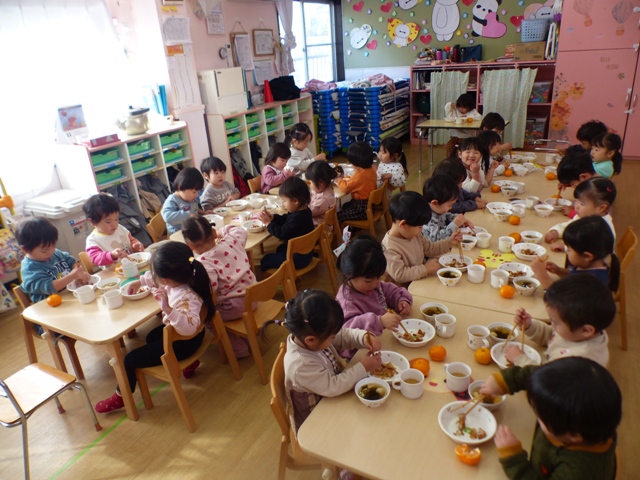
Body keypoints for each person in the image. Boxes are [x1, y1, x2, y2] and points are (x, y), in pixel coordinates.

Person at [95, 241, 215, 413]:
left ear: (166, 279)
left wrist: (168, 309)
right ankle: (190, 364)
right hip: (193, 336)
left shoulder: (185, 297)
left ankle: (121, 397)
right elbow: (158, 280)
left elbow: (189, 327)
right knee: (152, 336)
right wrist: (140, 282)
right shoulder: (190, 275)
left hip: (186, 343)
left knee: (129, 360)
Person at [479, 357, 621, 480]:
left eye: (540, 418)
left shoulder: (579, 471)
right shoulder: (587, 420)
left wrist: (513, 459)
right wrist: (505, 380)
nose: (537, 417)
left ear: (574, 436)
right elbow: (539, 376)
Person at [281, 289, 382, 432]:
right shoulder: (301, 365)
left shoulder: (315, 335)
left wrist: (363, 337)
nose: (335, 337)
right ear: (310, 340)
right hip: (317, 420)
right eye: (332, 337)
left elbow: (343, 335)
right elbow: (333, 386)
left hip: (334, 398)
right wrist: (363, 367)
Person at [503, 273, 615, 367]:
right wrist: (529, 326)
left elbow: (544, 380)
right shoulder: (577, 332)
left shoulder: (580, 360)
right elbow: (552, 335)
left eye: (555, 323)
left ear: (586, 330)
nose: (552, 325)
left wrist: (520, 359)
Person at [181, 216, 255, 358]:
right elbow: (240, 231)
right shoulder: (231, 241)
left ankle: (238, 349)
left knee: (209, 318)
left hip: (235, 306)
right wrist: (222, 231)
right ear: (214, 233)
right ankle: (247, 338)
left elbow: (210, 290)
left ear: (190, 246)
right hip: (254, 297)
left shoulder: (203, 263)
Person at [336, 236, 412, 355]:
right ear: (348, 275)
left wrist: (401, 300)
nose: (375, 284)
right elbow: (348, 333)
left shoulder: (372, 285)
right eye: (368, 281)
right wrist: (379, 321)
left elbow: (390, 291)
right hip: (363, 354)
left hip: (383, 340)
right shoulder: (347, 302)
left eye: (379, 277)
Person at [382, 191, 460, 286]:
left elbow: (430, 248)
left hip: (421, 281)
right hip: (406, 290)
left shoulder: (414, 235)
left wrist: (449, 242)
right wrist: (425, 269)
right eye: (420, 227)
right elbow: (400, 275)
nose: (421, 230)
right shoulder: (390, 248)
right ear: (403, 225)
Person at [16, 217, 91, 306]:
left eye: (53, 246)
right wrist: (72, 276)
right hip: (50, 306)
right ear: (25, 249)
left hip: (69, 297)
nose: (51, 252)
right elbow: (50, 287)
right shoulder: (30, 269)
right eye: (44, 251)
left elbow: (70, 260)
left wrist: (78, 272)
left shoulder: (54, 253)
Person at [533, 216, 620, 291]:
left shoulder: (591, 283)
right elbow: (574, 277)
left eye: (569, 249)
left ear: (587, 256)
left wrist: (541, 274)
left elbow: (558, 299)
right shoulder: (592, 264)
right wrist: (559, 271)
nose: (566, 252)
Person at [257, 176, 315, 271]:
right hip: (306, 252)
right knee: (280, 248)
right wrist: (273, 217)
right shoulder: (304, 211)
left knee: (265, 260)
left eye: (284, 200)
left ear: (295, 201)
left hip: (297, 259)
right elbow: (286, 219)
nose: (282, 203)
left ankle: (279, 279)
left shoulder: (297, 218)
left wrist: (268, 223)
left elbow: (281, 233)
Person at [544, 178, 616, 248]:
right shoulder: (585, 215)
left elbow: (589, 250)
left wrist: (565, 247)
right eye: (576, 201)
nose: (576, 206)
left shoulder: (603, 230)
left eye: (582, 203)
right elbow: (570, 227)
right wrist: (556, 232)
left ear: (601, 208)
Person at [83, 193, 144, 267]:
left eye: (116, 219)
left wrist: (135, 244)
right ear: (92, 222)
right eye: (108, 222)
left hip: (132, 265)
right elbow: (95, 258)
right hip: (114, 271)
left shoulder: (119, 228)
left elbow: (131, 240)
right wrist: (111, 255)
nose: (114, 224)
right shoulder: (93, 240)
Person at [422, 174, 473, 242]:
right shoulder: (428, 218)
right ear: (435, 203)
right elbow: (435, 240)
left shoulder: (437, 210)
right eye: (449, 205)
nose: (451, 207)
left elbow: (446, 216)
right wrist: (454, 225)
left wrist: (458, 219)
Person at [336, 141, 378, 223]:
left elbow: (345, 188)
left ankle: (349, 229)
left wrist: (339, 180)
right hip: (371, 204)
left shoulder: (360, 175)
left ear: (357, 163)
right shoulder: (372, 169)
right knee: (345, 206)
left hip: (362, 208)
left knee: (338, 216)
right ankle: (353, 227)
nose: (351, 164)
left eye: (351, 162)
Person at [161, 167, 205, 235]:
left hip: (190, 229)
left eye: (198, 192)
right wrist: (188, 215)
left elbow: (194, 208)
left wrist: (203, 213)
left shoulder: (191, 198)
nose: (196, 195)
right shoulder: (172, 200)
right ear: (181, 186)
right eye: (194, 192)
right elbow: (167, 217)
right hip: (177, 233)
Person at [305, 160, 337, 227]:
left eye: (311, 182)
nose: (310, 185)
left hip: (318, 228)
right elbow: (312, 194)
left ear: (320, 182)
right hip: (320, 224)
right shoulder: (324, 188)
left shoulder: (323, 199)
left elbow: (307, 213)